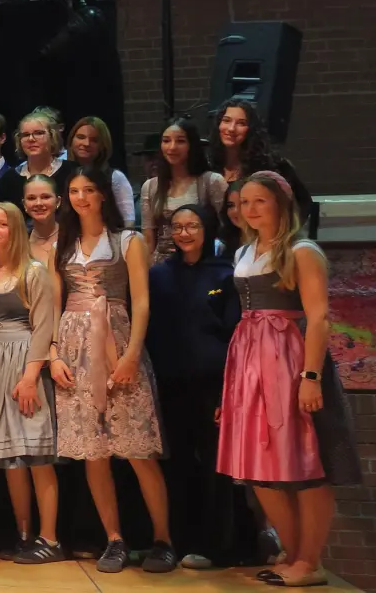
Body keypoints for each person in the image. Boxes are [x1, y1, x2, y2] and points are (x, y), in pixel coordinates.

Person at [219, 172, 359, 588]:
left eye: (259, 201)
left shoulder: (302, 251)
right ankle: (294, 552)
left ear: (281, 202)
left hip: (290, 359)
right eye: (244, 203)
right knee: (261, 464)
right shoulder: (245, 250)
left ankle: (310, 560)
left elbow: (319, 318)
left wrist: (310, 377)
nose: (249, 210)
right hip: (251, 359)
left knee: (307, 462)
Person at [53, 166, 175, 573]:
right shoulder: (63, 241)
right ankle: (114, 538)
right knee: (94, 453)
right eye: (73, 190)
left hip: (117, 340)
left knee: (138, 449)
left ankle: (162, 539)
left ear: (103, 194)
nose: (81, 197)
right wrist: (54, 352)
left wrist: (131, 354)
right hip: (73, 345)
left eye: (88, 190)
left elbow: (142, 301)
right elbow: (55, 302)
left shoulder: (127, 240)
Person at [146, 205, 248, 569]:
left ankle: (216, 545)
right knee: (176, 464)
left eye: (192, 226)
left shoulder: (226, 273)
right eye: (177, 227)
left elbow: (235, 333)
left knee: (214, 468)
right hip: (169, 381)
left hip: (212, 384)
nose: (184, 233)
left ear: (207, 229)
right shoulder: (158, 275)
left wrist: (226, 388)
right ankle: (175, 540)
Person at [0, 203, 64, 564]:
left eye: (2, 224)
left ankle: (50, 538)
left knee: (36, 455)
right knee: (12, 458)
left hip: (23, 360)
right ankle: (24, 534)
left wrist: (30, 377)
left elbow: (44, 326)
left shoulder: (34, 271)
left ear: (15, 229)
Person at [210, 98, 315, 228]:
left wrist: (281, 236)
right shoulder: (210, 166)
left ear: (251, 129)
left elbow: (303, 203)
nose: (231, 128)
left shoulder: (272, 165)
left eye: (241, 123)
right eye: (226, 121)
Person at [142, 118, 226, 260]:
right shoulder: (151, 186)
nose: (172, 147)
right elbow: (148, 241)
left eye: (180, 141)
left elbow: (226, 229)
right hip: (161, 266)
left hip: (201, 264)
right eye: (166, 141)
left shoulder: (211, 181)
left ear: (191, 145)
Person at [66, 117, 135, 224]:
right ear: (71, 141)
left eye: (94, 140)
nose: (86, 143)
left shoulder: (115, 177)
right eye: (81, 137)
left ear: (103, 145)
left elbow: (128, 222)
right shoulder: (63, 173)